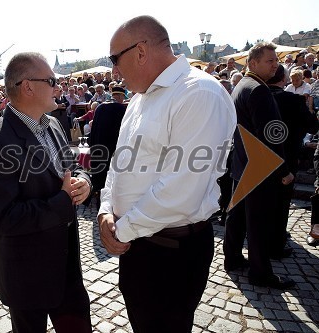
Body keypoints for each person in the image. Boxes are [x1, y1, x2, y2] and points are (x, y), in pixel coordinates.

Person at [98, 16, 236, 332]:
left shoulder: (199, 92)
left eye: (114, 60)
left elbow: (182, 189)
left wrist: (120, 229)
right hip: (137, 243)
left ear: (141, 51)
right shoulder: (139, 98)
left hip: (171, 253)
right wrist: (107, 210)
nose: (114, 72)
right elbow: (120, 164)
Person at [0, 52, 92, 333]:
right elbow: (4, 218)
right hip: (28, 278)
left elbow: (71, 168)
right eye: (51, 81)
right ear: (27, 87)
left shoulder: (52, 125)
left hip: (67, 270)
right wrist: (63, 200)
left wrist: (85, 181)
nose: (58, 87)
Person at [223, 42, 296, 289]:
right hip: (259, 166)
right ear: (253, 63)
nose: (276, 65)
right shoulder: (258, 89)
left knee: (238, 217)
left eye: (276, 61)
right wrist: (284, 171)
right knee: (259, 222)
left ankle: (232, 259)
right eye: (270, 61)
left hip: (243, 163)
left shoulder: (241, 86)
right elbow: (272, 134)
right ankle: (260, 272)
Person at [267, 64, 319, 258]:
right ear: (283, 79)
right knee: (282, 201)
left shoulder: (258, 95)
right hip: (286, 157)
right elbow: (313, 126)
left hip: (260, 157)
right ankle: (277, 242)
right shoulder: (293, 100)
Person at [89, 86, 127, 206]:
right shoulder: (122, 109)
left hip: (98, 148)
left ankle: (99, 201)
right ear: (121, 96)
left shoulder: (100, 107)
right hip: (115, 149)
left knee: (100, 177)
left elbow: (93, 130)